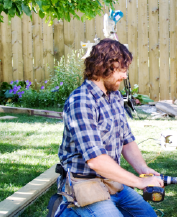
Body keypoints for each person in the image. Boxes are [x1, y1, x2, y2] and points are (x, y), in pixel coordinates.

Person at [55, 38, 162, 217]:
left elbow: (127, 140)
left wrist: (143, 170)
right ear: (103, 67)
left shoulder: (114, 97)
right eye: (121, 70)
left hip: (111, 181)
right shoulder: (81, 101)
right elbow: (96, 161)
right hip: (84, 184)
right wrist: (138, 182)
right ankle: (67, 212)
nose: (125, 76)